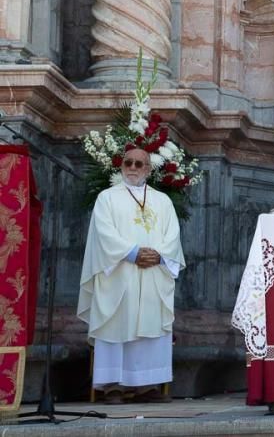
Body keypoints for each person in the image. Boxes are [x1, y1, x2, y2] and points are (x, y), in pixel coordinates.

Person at [78, 148, 185, 404]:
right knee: (117, 321)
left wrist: (159, 255)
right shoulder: (107, 198)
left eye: (139, 163)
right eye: (128, 162)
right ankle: (113, 384)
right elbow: (104, 234)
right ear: (121, 165)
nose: (133, 167)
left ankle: (146, 385)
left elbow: (173, 234)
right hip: (118, 273)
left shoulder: (163, 201)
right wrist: (132, 252)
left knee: (149, 321)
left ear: (149, 169)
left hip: (152, 274)